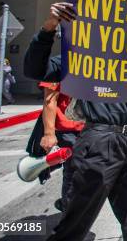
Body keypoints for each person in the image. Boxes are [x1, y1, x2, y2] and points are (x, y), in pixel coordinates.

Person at [24, 2, 127, 240]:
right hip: (99, 140)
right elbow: (35, 69)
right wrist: (49, 27)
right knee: (77, 219)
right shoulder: (82, 57)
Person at [38, 80, 85, 212]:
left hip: (94, 128)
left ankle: (69, 204)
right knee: (74, 172)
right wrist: (49, 134)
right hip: (69, 130)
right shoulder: (60, 64)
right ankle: (69, 208)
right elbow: (50, 100)